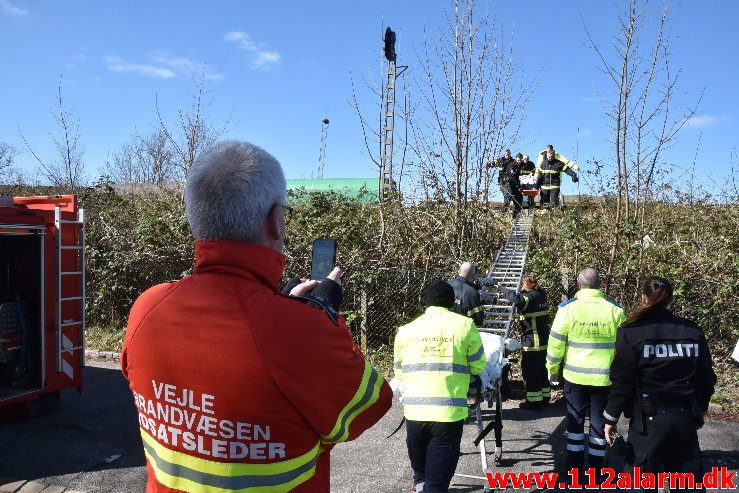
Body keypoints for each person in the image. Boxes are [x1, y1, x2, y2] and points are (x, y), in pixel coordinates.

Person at [121, 140, 392, 493]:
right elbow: (370, 408)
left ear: (194, 219)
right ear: (276, 221)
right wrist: (322, 316)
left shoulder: (147, 308)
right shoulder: (299, 333)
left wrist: (279, 308)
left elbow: (232, 353)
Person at [603, 277, 716, 492]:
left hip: (647, 422)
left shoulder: (631, 333)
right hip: (683, 417)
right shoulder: (692, 332)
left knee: (641, 482)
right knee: (686, 482)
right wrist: (698, 409)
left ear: (644, 298)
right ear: (670, 299)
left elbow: (622, 382)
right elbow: (707, 379)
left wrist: (610, 417)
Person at [394, 280, 487, 493]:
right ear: (451, 302)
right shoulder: (464, 325)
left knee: (421, 476)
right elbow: (478, 365)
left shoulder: (406, 330)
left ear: (425, 303)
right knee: (437, 484)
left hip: (414, 414)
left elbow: (400, 371)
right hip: (447, 415)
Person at [545, 267, 625, 475]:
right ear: (600, 284)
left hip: (575, 377)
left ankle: (573, 468)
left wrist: (552, 370)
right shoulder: (614, 310)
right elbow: (624, 348)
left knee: (575, 420)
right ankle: (596, 470)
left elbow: (555, 344)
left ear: (579, 284)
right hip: (603, 378)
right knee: (599, 422)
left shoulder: (567, 309)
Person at [498, 274, 550, 410]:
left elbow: (517, 299)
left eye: (523, 285)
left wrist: (502, 288)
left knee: (530, 371)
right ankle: (545, 398)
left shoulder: (529, 298)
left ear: (527, 285)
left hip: (532, 342)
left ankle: (533, 402)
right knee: (541, 370)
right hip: (543, 340)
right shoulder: (541, 294)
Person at [448, 261, 486, 326]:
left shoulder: (445, 285)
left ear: (458, 271)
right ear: (473, 276)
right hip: (462, 330)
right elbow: (478, 319)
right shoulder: (471, 293)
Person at [496, 149, 522, 215]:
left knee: (518, 196)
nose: (519, 161)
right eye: (518, 160)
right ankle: (503, 213)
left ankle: (516, 214)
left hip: (513, 184)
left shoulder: (517, 164)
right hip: (505, 182)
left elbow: (516, 177)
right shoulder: (510, 164)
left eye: (520, 160)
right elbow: (512, 177)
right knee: (508, 195)